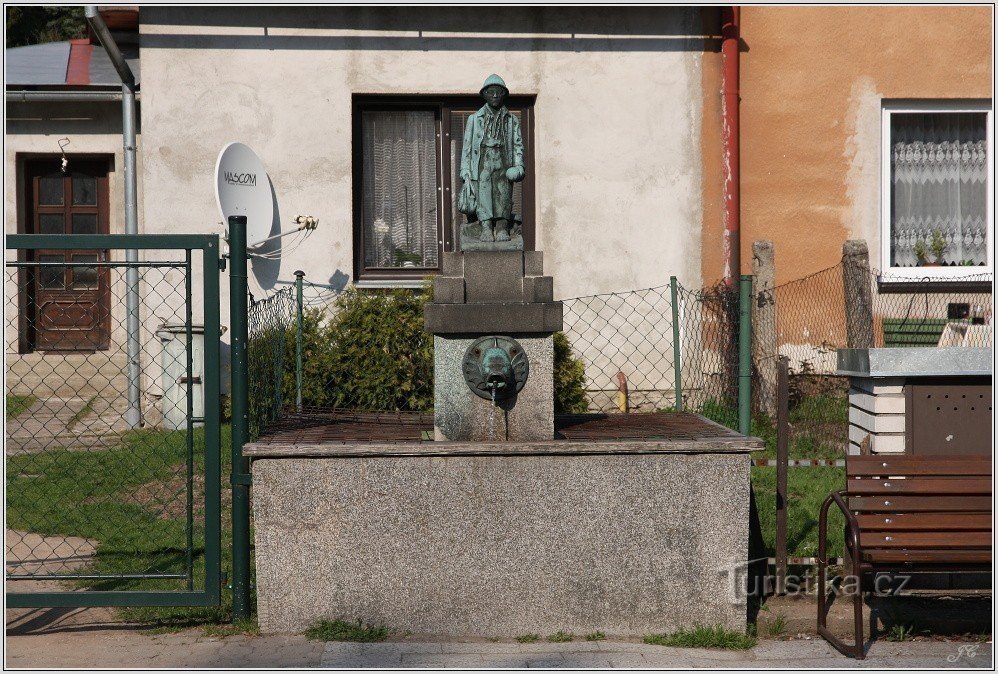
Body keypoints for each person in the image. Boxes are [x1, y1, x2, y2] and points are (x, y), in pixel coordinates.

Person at [459, 74, 525, 242]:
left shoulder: (512, 120)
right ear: (484, 94)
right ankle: (486, 227)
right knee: (484, 193)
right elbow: (466, 147)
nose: (495, 96)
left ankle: (502, 228)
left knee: (503, 193)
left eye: (498, 92)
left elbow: (518, 145)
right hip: (482, 161)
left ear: (504, 94)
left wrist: (519, 166)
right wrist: (465, 170)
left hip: (504, 160)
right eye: (491, 92)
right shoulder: (474, 119)